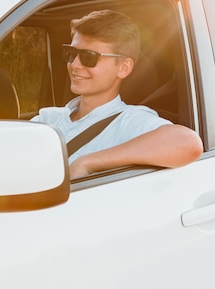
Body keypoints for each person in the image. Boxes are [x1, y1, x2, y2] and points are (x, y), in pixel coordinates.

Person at [31, 9, 203, 179]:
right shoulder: (48, 118)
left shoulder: (128, 121)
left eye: (89, 57)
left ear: (123, 67)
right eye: (71, 53)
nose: (75, 65)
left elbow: (188, 143)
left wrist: (88, 163)